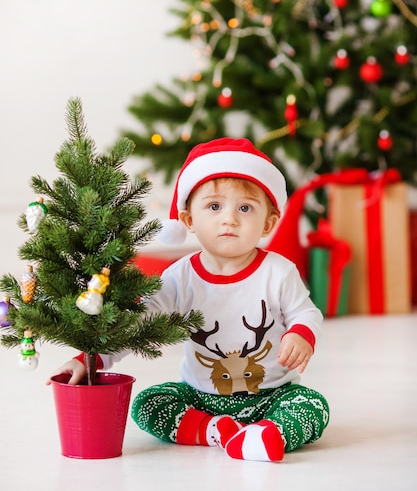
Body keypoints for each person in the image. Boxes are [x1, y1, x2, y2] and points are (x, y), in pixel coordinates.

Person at [48, 137, 329, 462]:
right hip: (201, 395)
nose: (230, 219)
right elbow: (139, 324)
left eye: (245, 208)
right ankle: (216, 429)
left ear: (268, 222)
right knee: (148, 403)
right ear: (188, 220)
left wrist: (301, 334)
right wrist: (92, 359)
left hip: (272, 394)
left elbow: (306, 313)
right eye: (214, 206)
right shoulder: (179, 277)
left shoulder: (278, 271)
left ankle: (264, 434)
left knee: (313, 406)